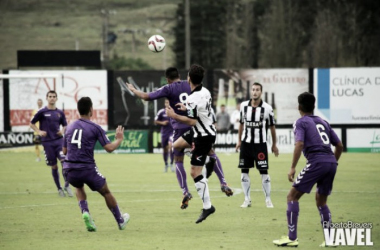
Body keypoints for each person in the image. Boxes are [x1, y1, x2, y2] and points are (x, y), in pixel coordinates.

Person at [126, 67, 233, 210]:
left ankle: (185, 191)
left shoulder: (168, 88)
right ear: (181, 76)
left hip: (180, 128)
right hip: (196, 128)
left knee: (178, 158)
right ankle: (223, 182)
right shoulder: (190, 85)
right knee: (210, 151)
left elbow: (146, 96)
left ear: (168, 79)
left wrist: (133, 90)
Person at [273, 92, 343, 247]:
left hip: (317, 162)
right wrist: (331, 162)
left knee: (292, 196)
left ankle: (292, 238)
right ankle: (330, 239)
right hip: (331, 163)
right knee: (321, 201)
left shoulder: (301, 122)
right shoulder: (324, 122)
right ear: (314, 106)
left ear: (299, 107)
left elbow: (299, 144)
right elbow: (339, 146)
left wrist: (292, 167)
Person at [62, 97, 129, 232]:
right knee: (106, 192)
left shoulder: (69, 127)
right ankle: (120, 220)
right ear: (91, 109)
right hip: (87, 168)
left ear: (78, 110)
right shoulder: (95, 127)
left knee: (79, 187)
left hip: (69, 169)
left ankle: (85, 212)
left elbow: (64, 151)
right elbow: (109, 148)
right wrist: (119, 139)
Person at [166, 64, 216, 223]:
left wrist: (174, 115)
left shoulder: (193, 98)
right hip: (202, 132)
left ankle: (208, 206)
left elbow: (192, 121)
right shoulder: (205, 91)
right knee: (177, 145)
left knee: (195, 172)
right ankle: (208, 159)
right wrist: (185, 106)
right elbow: (197, 110)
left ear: (189, 78)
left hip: (203, 135)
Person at [235, 82, 279, 208]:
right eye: (253, 89)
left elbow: (272, 127)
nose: (254, 92)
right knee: (244, 172)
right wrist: (239, 141)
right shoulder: (243, 106)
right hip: (246, 144)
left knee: (264, 172)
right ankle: (247, 199)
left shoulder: (267, 108)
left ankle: (268, 200)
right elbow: (241, 125)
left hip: (260, 145)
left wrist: (274, 145)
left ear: (261, 92)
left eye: (257, 90)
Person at [30, 90, 72, 197]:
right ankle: (59, 189)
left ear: (56, 98)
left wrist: (62, 131)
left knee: (65, 163)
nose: (52, 98)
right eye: (50, 96)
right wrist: (39, 131)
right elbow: (32, 123)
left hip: (59, 142)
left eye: (54, 96)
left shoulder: (60, 112)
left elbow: (65, 125)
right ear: (47, 98)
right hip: (47, 143)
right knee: (54, 167)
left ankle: (67, 185)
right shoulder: (42, 112)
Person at [154, 99, 174, 172]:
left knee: (171, 146)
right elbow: (155, 121)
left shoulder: (174, 111)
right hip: (164, 133)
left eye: (168, 102)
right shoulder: (161, 112)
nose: (167, 104)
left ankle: (171, 164)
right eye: (166, 102)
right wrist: (162, 123)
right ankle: (166, 164)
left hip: (172, 133)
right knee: (165, 149)